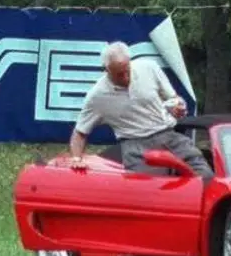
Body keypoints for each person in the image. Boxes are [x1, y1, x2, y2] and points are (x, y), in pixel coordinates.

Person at [67, 41, 213, 179]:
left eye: (127, 70)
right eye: (119, 74)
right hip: (135, 146)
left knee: (205, 175)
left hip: (168, 135)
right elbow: (79, 133)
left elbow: (174, 99)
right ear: (106, 70)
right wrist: (76, 158)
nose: (125, 77)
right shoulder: (97, 96)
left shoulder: (149, 67)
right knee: (150, 189)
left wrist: (178, 107)